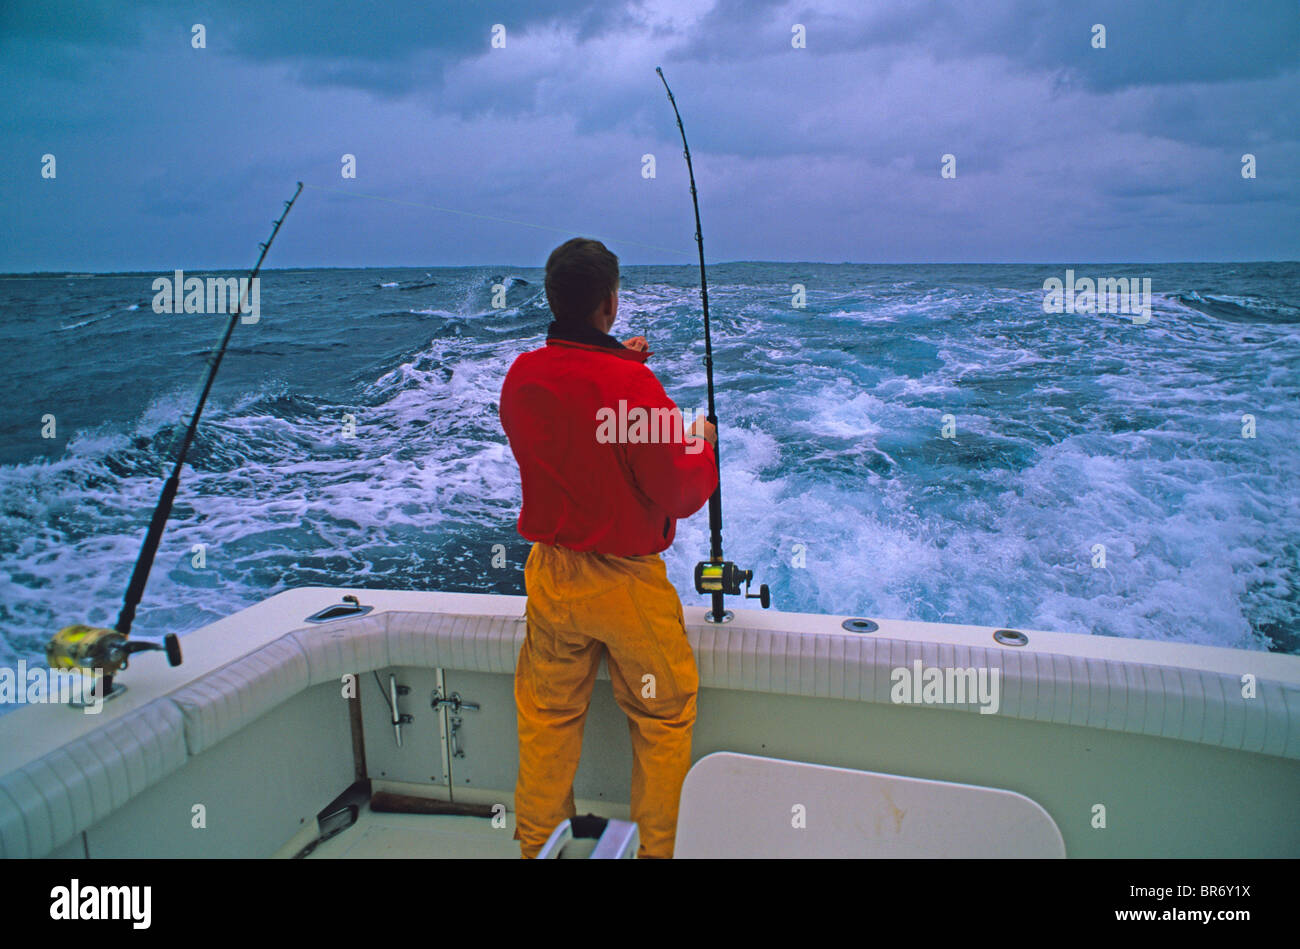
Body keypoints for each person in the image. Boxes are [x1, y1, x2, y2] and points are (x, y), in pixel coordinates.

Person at [499, 237, 717, 858]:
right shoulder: (634, 385)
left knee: (548, 715)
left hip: (550, 577)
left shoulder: (522, 377)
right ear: (610, 302)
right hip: (625, 584)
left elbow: (572, 411)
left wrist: (615, 363)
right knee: (663, 715)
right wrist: (701, 441)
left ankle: (539, 846)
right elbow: (678, 488)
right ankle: (659, 851)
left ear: (553, 299)